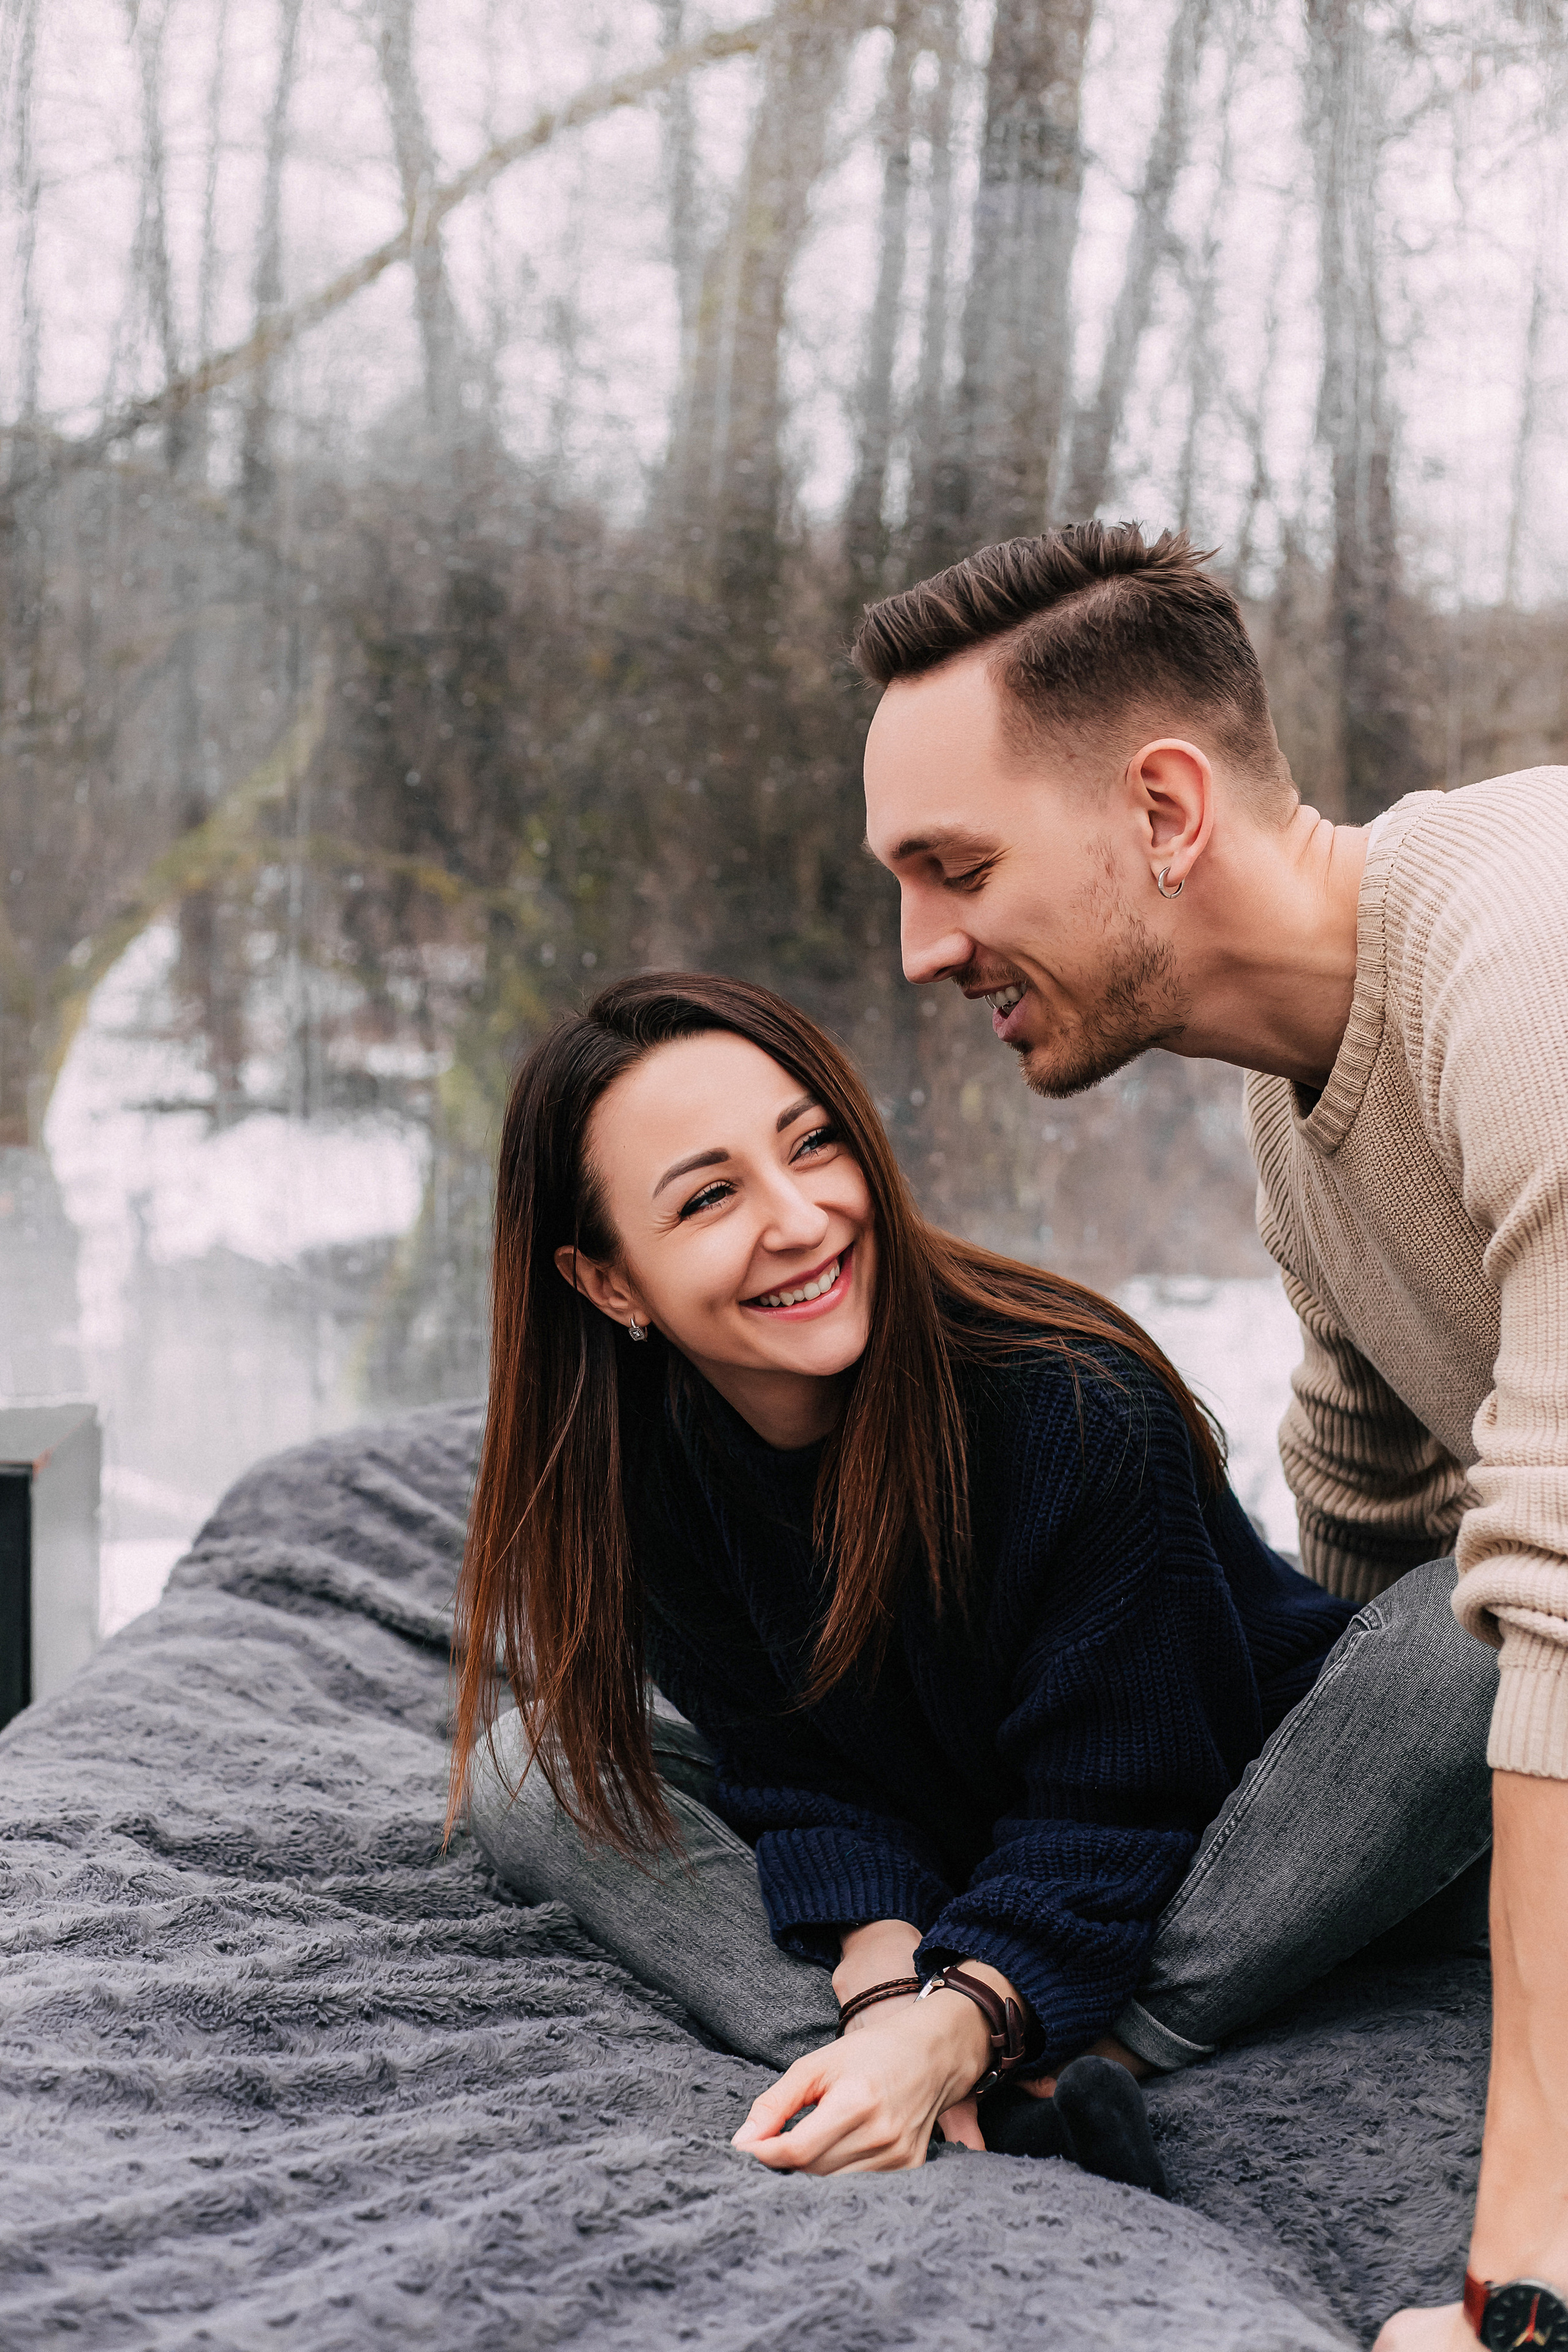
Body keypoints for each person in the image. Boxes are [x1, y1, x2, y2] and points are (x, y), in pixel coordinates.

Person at [854, 524, 1568, 2344]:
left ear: (1165, 808)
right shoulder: (1293, 1109)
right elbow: (1357, 1555)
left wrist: (1519, 2287)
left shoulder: (1525, 947)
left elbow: (1553, 1600)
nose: (924, 948)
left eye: (956, 870)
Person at [451, 969, 1492, 2187]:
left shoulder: (1073, 1402)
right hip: (955, 1854)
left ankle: (1060, 2054)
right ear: (608, 1282)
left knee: (1475, 1629)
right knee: (530, 1769)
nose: (797, 1217)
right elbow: (797, 1779)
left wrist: (966, 2015)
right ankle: (885, 2075)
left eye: (812, 1144)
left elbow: (1122, 1805)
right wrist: (889, 1978)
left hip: (1229, 1827)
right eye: (708, 1198)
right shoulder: (644, 1476)